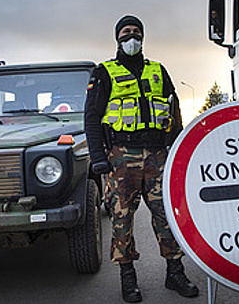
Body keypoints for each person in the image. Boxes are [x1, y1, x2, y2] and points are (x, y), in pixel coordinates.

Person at [84, 15, 198, 303]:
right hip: (122, 157)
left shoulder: (158, 70)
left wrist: (178, 145)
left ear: (143, 36)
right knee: (122, 218)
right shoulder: (104, 72)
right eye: (126, 32)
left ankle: (175, 272)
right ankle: (128, 277)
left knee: (168, 215)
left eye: (136, 32)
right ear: (117, 39)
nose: (131, 36)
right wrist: (98, 156)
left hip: (158, 155)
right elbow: (92, 118)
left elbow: (174, 110)